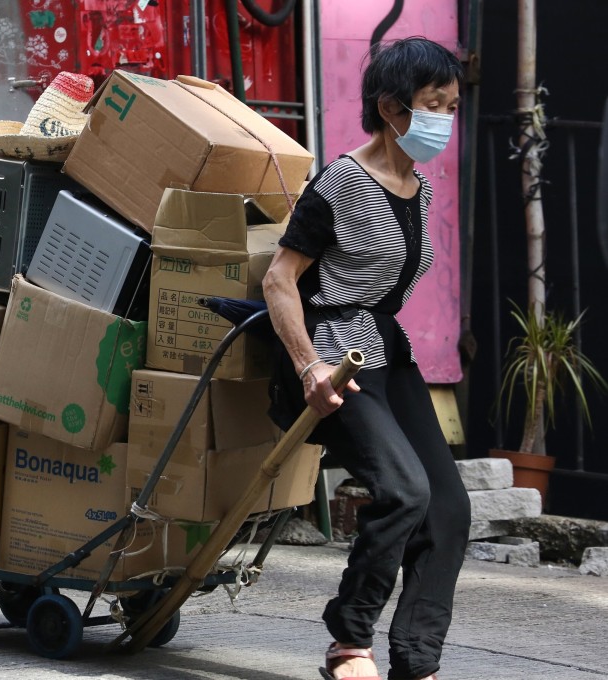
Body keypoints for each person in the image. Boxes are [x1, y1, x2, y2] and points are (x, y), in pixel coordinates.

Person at [262, 37, 470, 680]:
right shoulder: (342, 183)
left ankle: (417, 659)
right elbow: (279, 279)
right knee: (403, 491)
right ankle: (348, 643)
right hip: (332, 354)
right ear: (391, 107)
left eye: (453, 105)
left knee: (450, 508)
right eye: (433, 104)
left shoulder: (420, 188)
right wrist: (308, 368)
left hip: (387, 352)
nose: (445, 119)